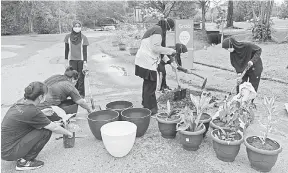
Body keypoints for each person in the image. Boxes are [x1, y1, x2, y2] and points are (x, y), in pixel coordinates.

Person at [1, 82, 74, 171]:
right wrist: (68, 133)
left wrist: (42, 112)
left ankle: (21, 154)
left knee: (39, 124)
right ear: (40, 97)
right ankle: (24, 162)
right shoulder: (33, 111)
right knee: (45, 131)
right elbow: (54, 127)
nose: (45, 97)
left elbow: (25, 115)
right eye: (45, 95)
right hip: (10, 152)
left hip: (6, 148)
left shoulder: (19, 103)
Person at [135, 18, 177, 115]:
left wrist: (170, 62)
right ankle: (151, 110)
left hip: (143, 60)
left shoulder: (155, 28)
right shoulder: (158, 30)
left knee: (147, 84)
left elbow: (161, 54)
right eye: (168, 29)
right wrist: (170, 51)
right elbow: (155, 48)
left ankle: (146, 105)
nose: (166, 32)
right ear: (167, 26)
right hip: (147, 61)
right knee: (151, 86)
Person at [64, 20, 89, 98]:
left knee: (81, 77)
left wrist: (85, 62)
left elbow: (85, 51)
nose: (77, 28)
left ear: (81, 27)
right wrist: (65, 60)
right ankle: (75, 95)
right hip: (72, 60)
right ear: (72, 27)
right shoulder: (67, 37)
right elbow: (66, 49)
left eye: (79, 26)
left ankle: (81, 95)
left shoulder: (83, 38)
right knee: (74, 78)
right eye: (75, 26)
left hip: (81, 61)